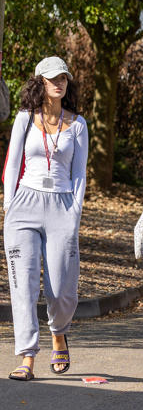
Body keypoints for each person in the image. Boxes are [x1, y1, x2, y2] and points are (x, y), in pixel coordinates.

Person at [3, 57, 88, 382]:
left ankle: (58, 331)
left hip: (62, 206)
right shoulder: (26, 118)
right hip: (25, 204)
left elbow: (78, 173)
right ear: (40, 82)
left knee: (60, 291)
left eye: (63, 78)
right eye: (52, 78)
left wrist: (75, 213)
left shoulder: (77, 124)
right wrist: (10, 207)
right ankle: (27, 356)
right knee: (22, 285)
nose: (59, 83)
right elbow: (12, 164)